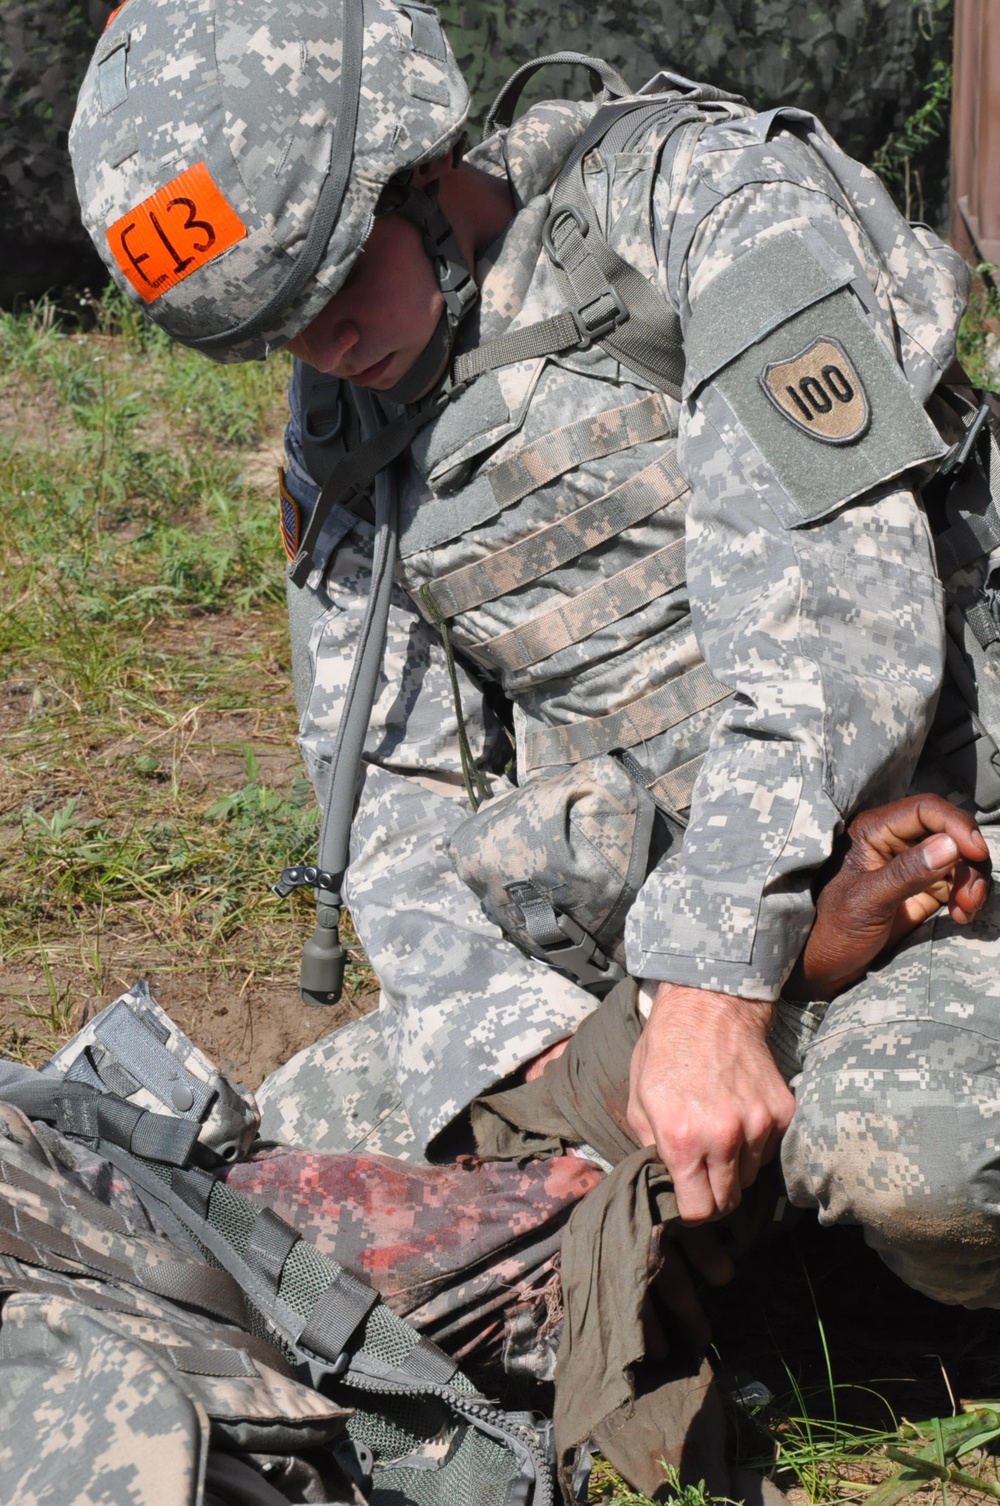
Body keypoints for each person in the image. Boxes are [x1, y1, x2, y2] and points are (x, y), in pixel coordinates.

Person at [69, 0, 1000, 1306]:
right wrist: (573, 1080)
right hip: (629, 978)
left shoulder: (701, 203)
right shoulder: (348, 435)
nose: (321, 346)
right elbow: (392, 816)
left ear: (413, 163)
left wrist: (716, 987)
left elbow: (833, 622)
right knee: (268, 1171)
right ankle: (693, 1210)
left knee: (925, 1150)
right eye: (274, 326)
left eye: (335, 281)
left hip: (923, 890)